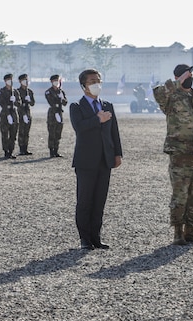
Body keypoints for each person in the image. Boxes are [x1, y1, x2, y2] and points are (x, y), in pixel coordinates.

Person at [153, 64, 193, 245]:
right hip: (179, 152)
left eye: (191, 74)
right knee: (180, 194)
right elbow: (158, 93)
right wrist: (177, 83)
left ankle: (191, 230)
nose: (190, 77)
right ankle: (178, 231)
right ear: (179, 77)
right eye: (187, 75)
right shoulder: (171, 97)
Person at [70, 68, 122, 250]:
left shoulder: (107, 105)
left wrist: (117, 153)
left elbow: (114, 132)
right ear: (84, 85)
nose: (96, 84)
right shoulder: (76, 107)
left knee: (100, 200)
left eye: (98, 80)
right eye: (92, 81)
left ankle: (96, 237)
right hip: (85, 161)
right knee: (85, 201)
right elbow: (79, 127)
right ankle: (84, 239)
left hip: (105, 160)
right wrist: (97, 119)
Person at [0, 73, 21, 159]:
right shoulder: (1, 91)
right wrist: (8, 115)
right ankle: (6, 151)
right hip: (5, 115)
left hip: (14, 114)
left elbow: (19, 103)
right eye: (8, 80)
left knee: (13, 134)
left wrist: (15, 101)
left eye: (11, 80)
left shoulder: (15, 92)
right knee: (5, 134)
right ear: (5, 81)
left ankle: (11, 150)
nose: (10, 81)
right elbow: (2, 103)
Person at [45, 74, 68, 157]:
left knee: (58, 132)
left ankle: (56, 150)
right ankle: (51, 151)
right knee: (52, 132)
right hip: (53, 113)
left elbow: (65, 103)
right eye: (55, 81)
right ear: (51, 82)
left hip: (59, 112)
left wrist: (62, 98)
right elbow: (51, 102)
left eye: (58, 81)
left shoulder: (61, 92)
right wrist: (58, 99)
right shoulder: (48, 92)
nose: (56, 82)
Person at [17, 73, 35, 156]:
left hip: (28, 113)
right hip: (20, 113)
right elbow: (18, 104)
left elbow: (32, 103)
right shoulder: (17, 92)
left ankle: (25, 148)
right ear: (20, 81)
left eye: (27, 80)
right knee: (21, 131)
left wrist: (29, 100)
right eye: (24, 80)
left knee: (26, 132)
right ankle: (21, 149)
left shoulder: (30, 92)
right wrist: (23, 114)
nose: (26, 81)